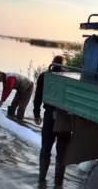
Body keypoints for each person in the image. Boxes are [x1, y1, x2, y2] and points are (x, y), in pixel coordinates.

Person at [33, 55, 71, 186]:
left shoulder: (45, 75)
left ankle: (41, 180)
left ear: (53, 63)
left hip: (49, 116)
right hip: (66, 118)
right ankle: (58, 184)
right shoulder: (70, 77)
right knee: (62, 151)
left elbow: (38, 96)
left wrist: (36, 113)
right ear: (64, 64)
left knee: (46, 149)